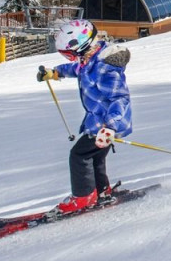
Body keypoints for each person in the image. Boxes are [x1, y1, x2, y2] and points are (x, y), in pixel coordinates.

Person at [37, 19, 132, 215]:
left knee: (79, 155)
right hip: (98, 121)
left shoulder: (106, 69)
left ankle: (83, 197)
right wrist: (54, 73)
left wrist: (110, 126)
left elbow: (120, 98)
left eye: (69, 55)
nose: (71, 59)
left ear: (80, 48)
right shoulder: (90, 59)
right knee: (95, 156)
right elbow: (75, 70)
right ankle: (100, 190)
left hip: (106, 123)